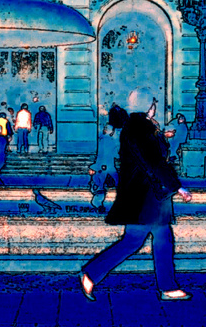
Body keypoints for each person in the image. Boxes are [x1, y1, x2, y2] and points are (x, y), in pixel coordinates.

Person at [80, 87, 192, 302]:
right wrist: (177, 186)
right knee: (143, 240)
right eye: (153, 103)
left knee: (152, 239)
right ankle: (91, 274)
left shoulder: (135, 126)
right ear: (148, 105)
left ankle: (92, 274)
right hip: (148, 194)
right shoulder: (142, 127)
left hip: (144, 193)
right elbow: (154, 161)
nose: (155, 107)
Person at [88, 105, 126, 210]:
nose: (104, 130)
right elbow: (114, 154)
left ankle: (99, 204)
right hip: (106, 166)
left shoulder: (106, 139)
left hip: (104, 166)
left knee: (100, 186)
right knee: (113, 184)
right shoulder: (110, 139)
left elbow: (104, 154)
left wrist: (94, 167)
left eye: (106, 129)